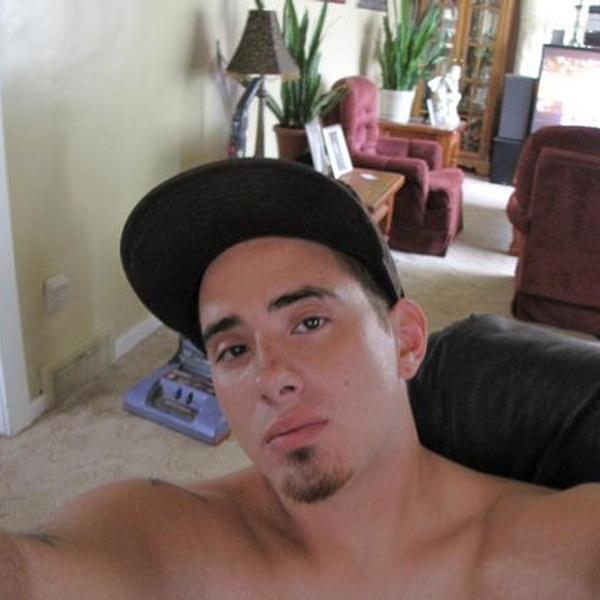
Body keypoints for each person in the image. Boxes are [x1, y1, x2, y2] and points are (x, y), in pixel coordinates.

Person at [2, 158, 600, 599]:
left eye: (309, 321)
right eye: (234, 348)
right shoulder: (163, 536)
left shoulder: (563, 548)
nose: (269, 377)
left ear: (407, 341)